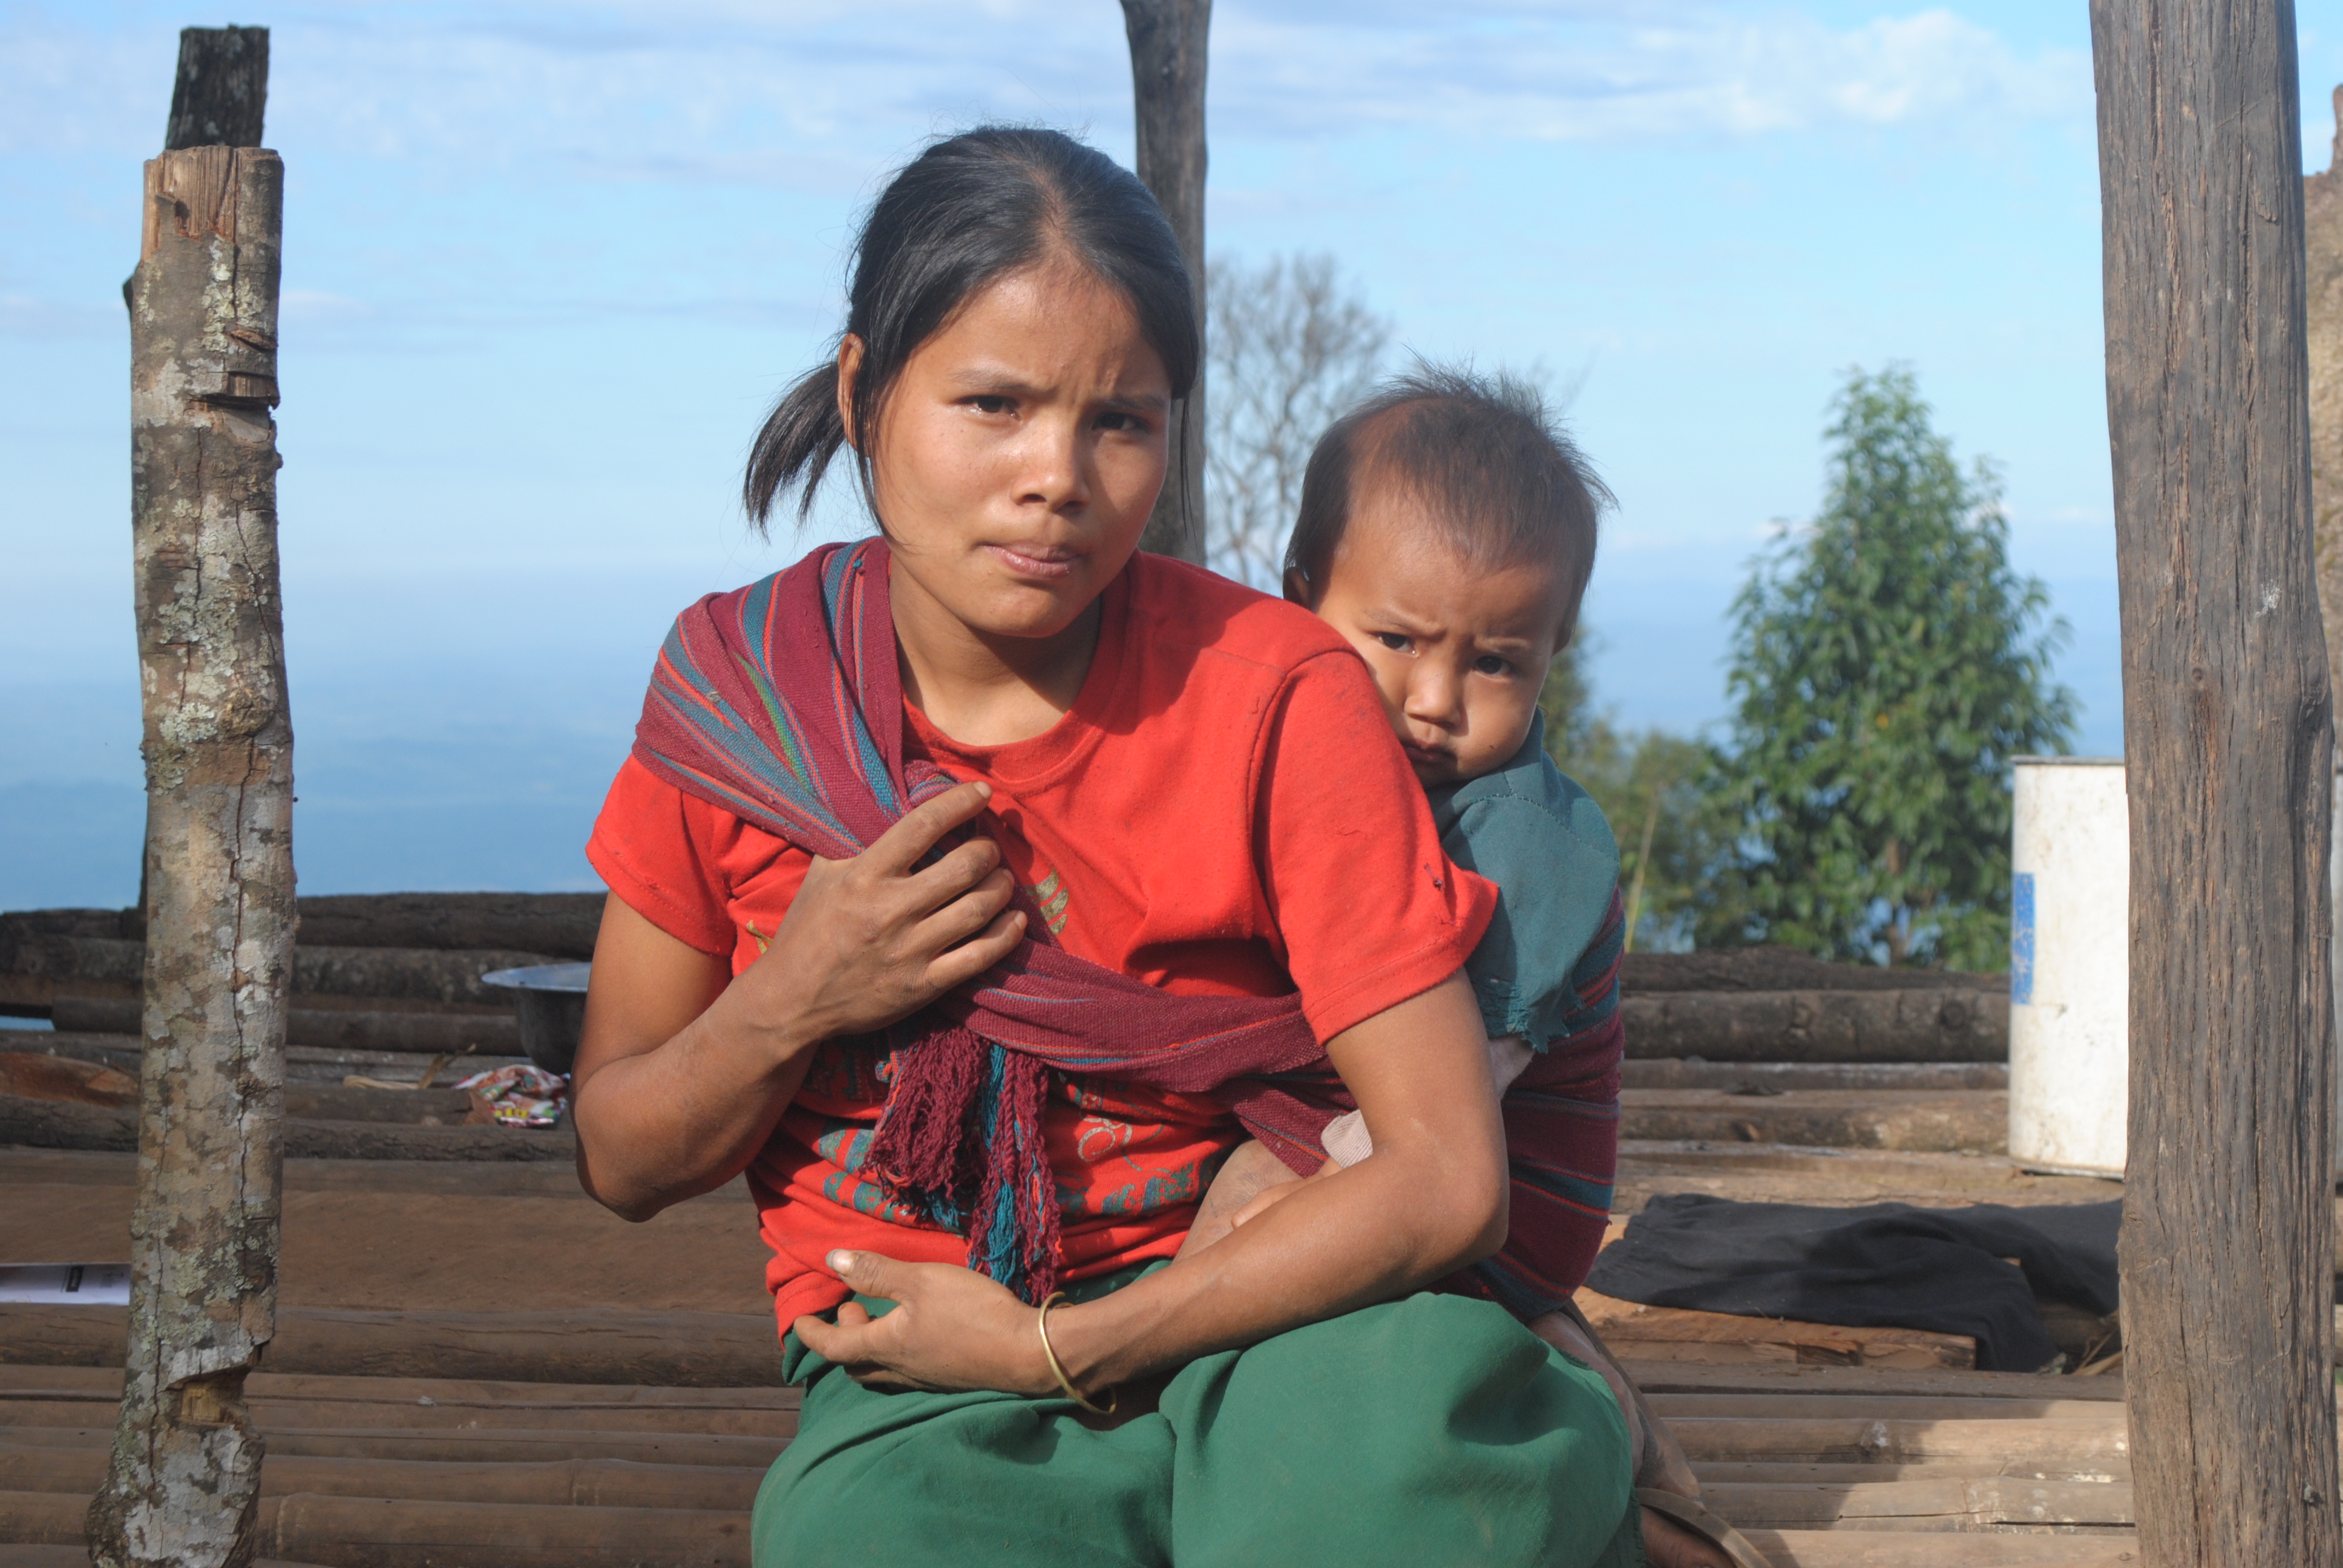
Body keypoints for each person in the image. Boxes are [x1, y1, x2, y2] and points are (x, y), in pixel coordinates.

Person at [569, 126, 1642, 1567]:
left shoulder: (1272, 695)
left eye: (1119, 422)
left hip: (1297, 1314)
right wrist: (791, 999)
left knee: (1390, 1489)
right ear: (862, 391)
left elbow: (1448, 1178)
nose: (1055, 477)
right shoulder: (742, 702)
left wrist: (1060, 1347)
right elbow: (621, 1154)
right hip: (928, 1368)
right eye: (994, 404)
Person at [1175, 369, 1758, 1568]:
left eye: (1494, 663)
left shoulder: (1523, 846)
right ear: (1297, 604)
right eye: (1392, 642)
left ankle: (1615, 1462)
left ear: (1555, 651)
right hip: (1423, 1183)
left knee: (1222, 1236)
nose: (1433, 702)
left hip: (1484, 1209)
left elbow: (1432, 1124)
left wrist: (1239, 1223)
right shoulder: (1319, 781)